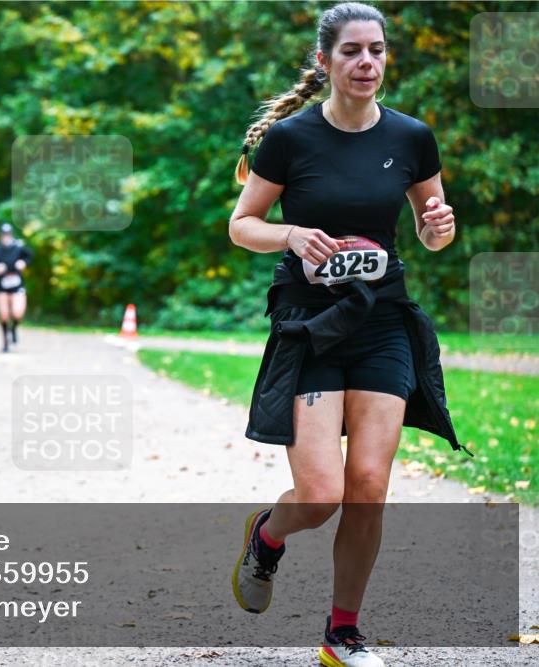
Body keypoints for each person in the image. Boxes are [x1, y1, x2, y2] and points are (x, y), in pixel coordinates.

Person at [227, 4, 462, 666]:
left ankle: (342, 633)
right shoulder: (290, 140)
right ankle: (267, 537)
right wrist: (290, 234)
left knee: (367, 486)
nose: (367, 62)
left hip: (382, 321)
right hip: (310, 326)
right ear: (325, 60)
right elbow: (242, 225)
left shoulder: (412, 137)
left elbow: (432, 231)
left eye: (377, 51)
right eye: (352, 51)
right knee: (321, 494)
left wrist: (439, 230)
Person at [0, 223, 33, 352]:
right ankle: (5, 342)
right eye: (3, 235)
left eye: (8, 234)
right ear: (0, 236)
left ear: (11, 235)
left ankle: (13, 329)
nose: (6, 237)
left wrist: (23, 263)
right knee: (3, 314)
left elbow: (30, 256)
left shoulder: (19, 247)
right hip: (2, 286)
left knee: (18, 313)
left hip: (17, 284)